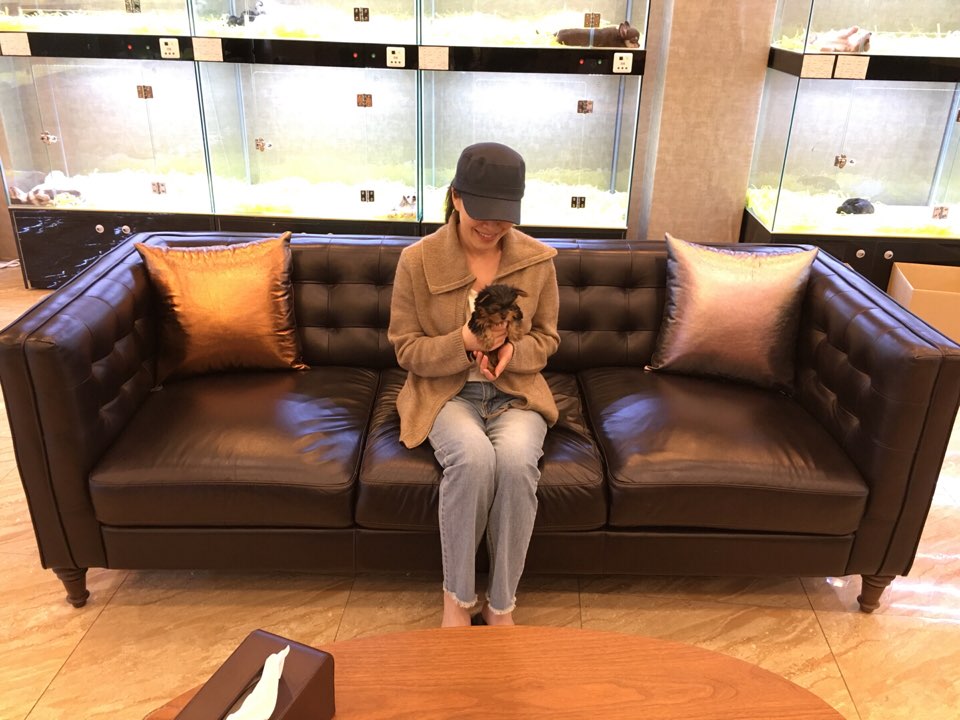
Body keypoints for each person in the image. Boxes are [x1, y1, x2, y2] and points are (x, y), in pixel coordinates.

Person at [388, 142, 560, 627]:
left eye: (504, 216)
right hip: (445, 394)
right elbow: (406, 349)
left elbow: (548, 339)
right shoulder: (417, 261)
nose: (491, 226)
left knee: (518, 464)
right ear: (457, 197)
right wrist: (463, 342)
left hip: (515, 395)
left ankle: (500, 606)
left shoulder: (537, 261)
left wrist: (512, 352)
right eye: (482, 212)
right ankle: (457, 600)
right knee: (472, 460)